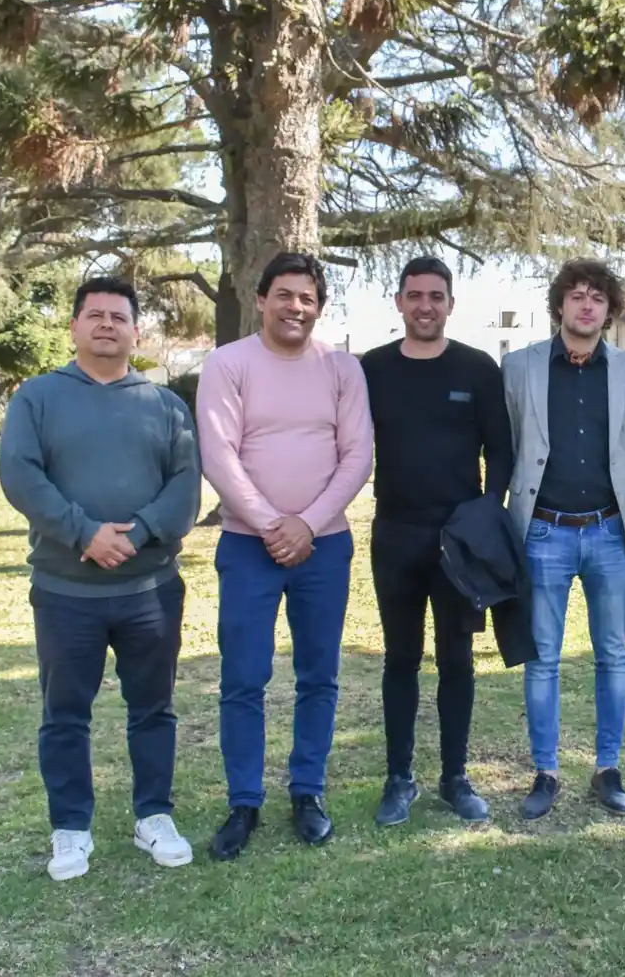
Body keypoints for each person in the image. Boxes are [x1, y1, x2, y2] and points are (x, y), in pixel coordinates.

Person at [0, 276, 200, 881]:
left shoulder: (165, 404)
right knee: (65, 714)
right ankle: (70, 828)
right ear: (75, 327)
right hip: (66, 593)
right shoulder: (37, 397)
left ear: (136, 331)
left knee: (154, 708)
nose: (107, 324)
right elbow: (21, 474)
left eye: (119, 316)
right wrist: (84, 532)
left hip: (150, 592)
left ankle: (153, 816)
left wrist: (136, 534)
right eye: (95, 315)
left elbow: (186, 485)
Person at [196, 252, 373, 858]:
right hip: (249, 547)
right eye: (286, 295)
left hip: (325, 547)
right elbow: (219, 454)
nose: (296, 307)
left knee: (318, 677)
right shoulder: (228, 364)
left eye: (308, 299)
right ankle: (244, 802)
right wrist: (274, 524)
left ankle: (308, 791)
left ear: (318, 308)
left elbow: (357, 458)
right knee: (244, 677)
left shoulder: (342, 368)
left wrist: (309, 524)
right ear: (261, 298)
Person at [360, 256, 515, 827]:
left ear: (451, 304)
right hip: (395, 532)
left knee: (457, 660)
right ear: (399, 302)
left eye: (436, 296)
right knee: (400, 658)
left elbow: (501, 450)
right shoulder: (371, 368)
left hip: (459, 541)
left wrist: (484, 512)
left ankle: (455, 777)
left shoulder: (476, 369)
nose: (425, 305)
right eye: (415, 295)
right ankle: (399, 778)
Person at [502, 257, 625, 819]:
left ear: (610, 310)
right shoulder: (518, 368)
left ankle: (607, 768)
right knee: (543, 658)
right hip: (544, 532)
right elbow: (512, 442)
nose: (586, 305)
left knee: (612, 656)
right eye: (577, 295)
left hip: (608, 532)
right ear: (559, 305)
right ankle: (545, 771)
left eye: (597, 297)